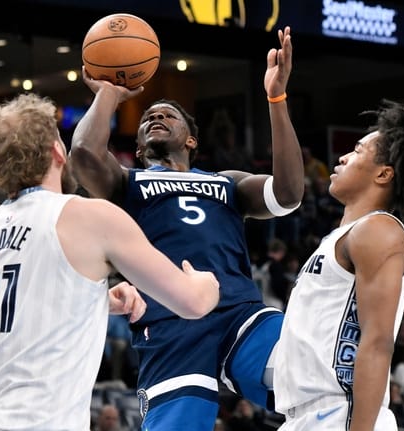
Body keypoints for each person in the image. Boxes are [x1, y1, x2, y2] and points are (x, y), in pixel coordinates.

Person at [69, 26, 303, 430]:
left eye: (167, 115)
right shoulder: (126, 182)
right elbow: (85, 155)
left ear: (191, 140)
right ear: (139, 148)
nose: (156, 117)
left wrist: (276, 98)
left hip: (239, 312)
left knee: (316, 377)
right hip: (167, 318)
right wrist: (107, 91)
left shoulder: (226, 181)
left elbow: (288, 194)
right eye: (148, 118)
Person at [0, 93, 220, 431]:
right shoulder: (86, 216)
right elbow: (192, 303)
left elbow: (11, 311)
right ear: (57, 151)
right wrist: (209, 284)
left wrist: (98, 300)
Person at [272, 98, 404, 431]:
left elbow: (377, 343)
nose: (343, 157)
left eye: (358, 151)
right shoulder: (343, 237)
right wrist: (277, 101)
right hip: (306, 415)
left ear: (384, 173)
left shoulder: (379, 231)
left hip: (340, 414)